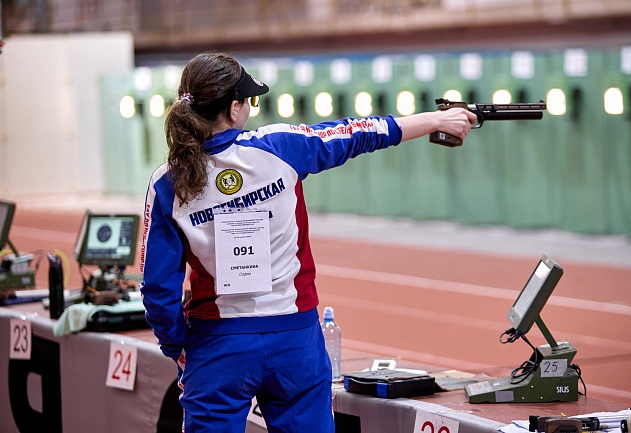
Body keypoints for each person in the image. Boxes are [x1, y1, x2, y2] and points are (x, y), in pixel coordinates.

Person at [139, 51, 476, 433]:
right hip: (295, 341)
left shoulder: (167, 181)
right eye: (249, 102)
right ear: (234, 109)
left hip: (218, 346)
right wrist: (437, 120)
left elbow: (157, 289)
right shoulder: (279, 146)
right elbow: (360, 132)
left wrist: (178, 346)